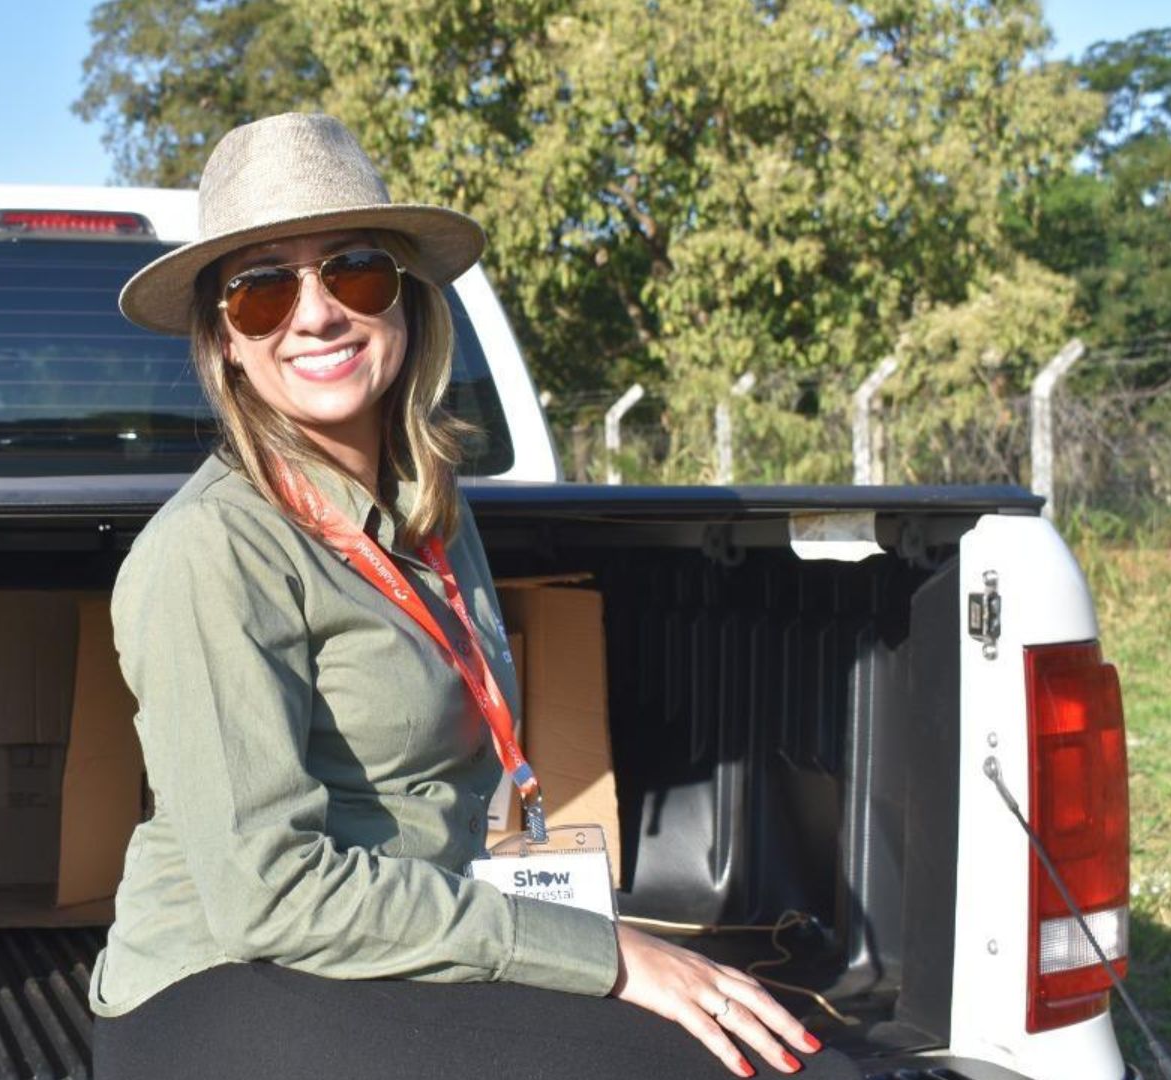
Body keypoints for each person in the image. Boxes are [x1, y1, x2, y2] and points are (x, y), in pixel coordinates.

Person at [91, 112, 859, 1080]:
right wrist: (603, 956)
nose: (318, 313)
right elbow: (269, 894)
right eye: (261, 290)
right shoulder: (212, 550)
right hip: (226, 983)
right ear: (224, 342)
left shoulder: (433, 514)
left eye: (355, 269)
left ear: (407, 303)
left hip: (403, 945)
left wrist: (572, 949)